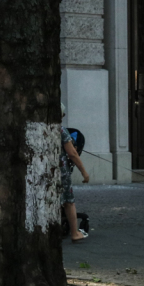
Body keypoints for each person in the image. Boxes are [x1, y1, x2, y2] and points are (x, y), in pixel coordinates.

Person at [60, 103, 89, 242]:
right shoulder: (61, 131)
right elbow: (72, 154)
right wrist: (84, 172)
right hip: (61, 172)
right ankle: (74, 233)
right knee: (68, 202)